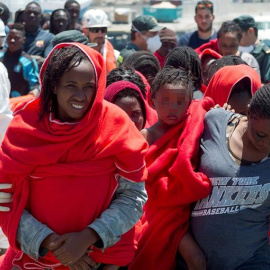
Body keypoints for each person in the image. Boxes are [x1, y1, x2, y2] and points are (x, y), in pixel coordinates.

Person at [0, 43, 148, 270]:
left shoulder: (116, 126)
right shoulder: (24, 129)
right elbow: (5, 201)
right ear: (54, 85)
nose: (81, 95)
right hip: (36, 259)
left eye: (89, 86)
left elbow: (134, 196)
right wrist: (53, 244)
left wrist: (88, 237)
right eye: (71, 85)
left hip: (100, 259)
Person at [129, 67, 214, 270]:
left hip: (177, 212)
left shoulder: (192, 126)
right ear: (153, 101)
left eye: (179, 102)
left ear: (189, 102)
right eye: (165, 100)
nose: (172, 108)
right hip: (150, 210)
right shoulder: (144, 136)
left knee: (197, 260)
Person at [191, 84, 270, 269]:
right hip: (193, 261)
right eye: (261, 135)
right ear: (249, 113)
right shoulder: (215, 122)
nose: (267, 144)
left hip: (252, 261)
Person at [196, 21, 261, 77]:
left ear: (239, 41)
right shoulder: (212, 64)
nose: (228, 50)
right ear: (218, 42)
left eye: (232, 46)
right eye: (224, 45)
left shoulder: (248, 60)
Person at [0, 23, 40, 97]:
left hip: (18, 105)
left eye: (16, 38)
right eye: (10, 37)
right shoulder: (0, 56)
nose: (12, 40)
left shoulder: (28, 61)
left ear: (23, 40)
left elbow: (36, 85)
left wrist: (35, 91)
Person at [233, 15, 270, 84]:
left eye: (238, 34)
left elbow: (267, 85)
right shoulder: (231, 51)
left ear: (250, 31)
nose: (235, 37)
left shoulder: (264, 54)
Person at [82, 9, 117, 74]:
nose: (100, 34)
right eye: (95, 30)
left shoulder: (115, 55)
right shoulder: (79, 53)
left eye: (103, 30)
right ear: (85, 31)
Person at [23, 2, 54, 68]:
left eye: (35, 13)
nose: (32, 15)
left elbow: (47, 61)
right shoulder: (15, 34)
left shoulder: (49, 37)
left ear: (41, 17)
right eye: (29, 12)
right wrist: (34, 58)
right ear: (24, 15)